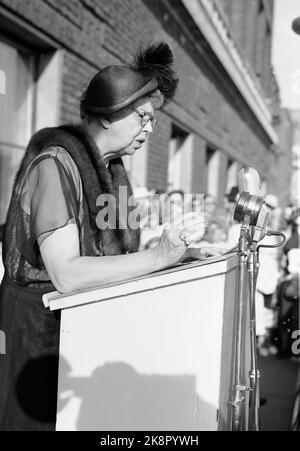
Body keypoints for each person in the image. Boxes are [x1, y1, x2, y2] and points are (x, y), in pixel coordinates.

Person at [0, 42, 224, 431]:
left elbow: (111, 259)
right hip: (38, 343)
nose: (150, 130)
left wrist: (179, 255)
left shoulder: (111, 171)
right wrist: (159, 258)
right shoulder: (54, 167)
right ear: (108, 114)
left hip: (82, 338)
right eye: (143, 117)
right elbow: (66, 273)